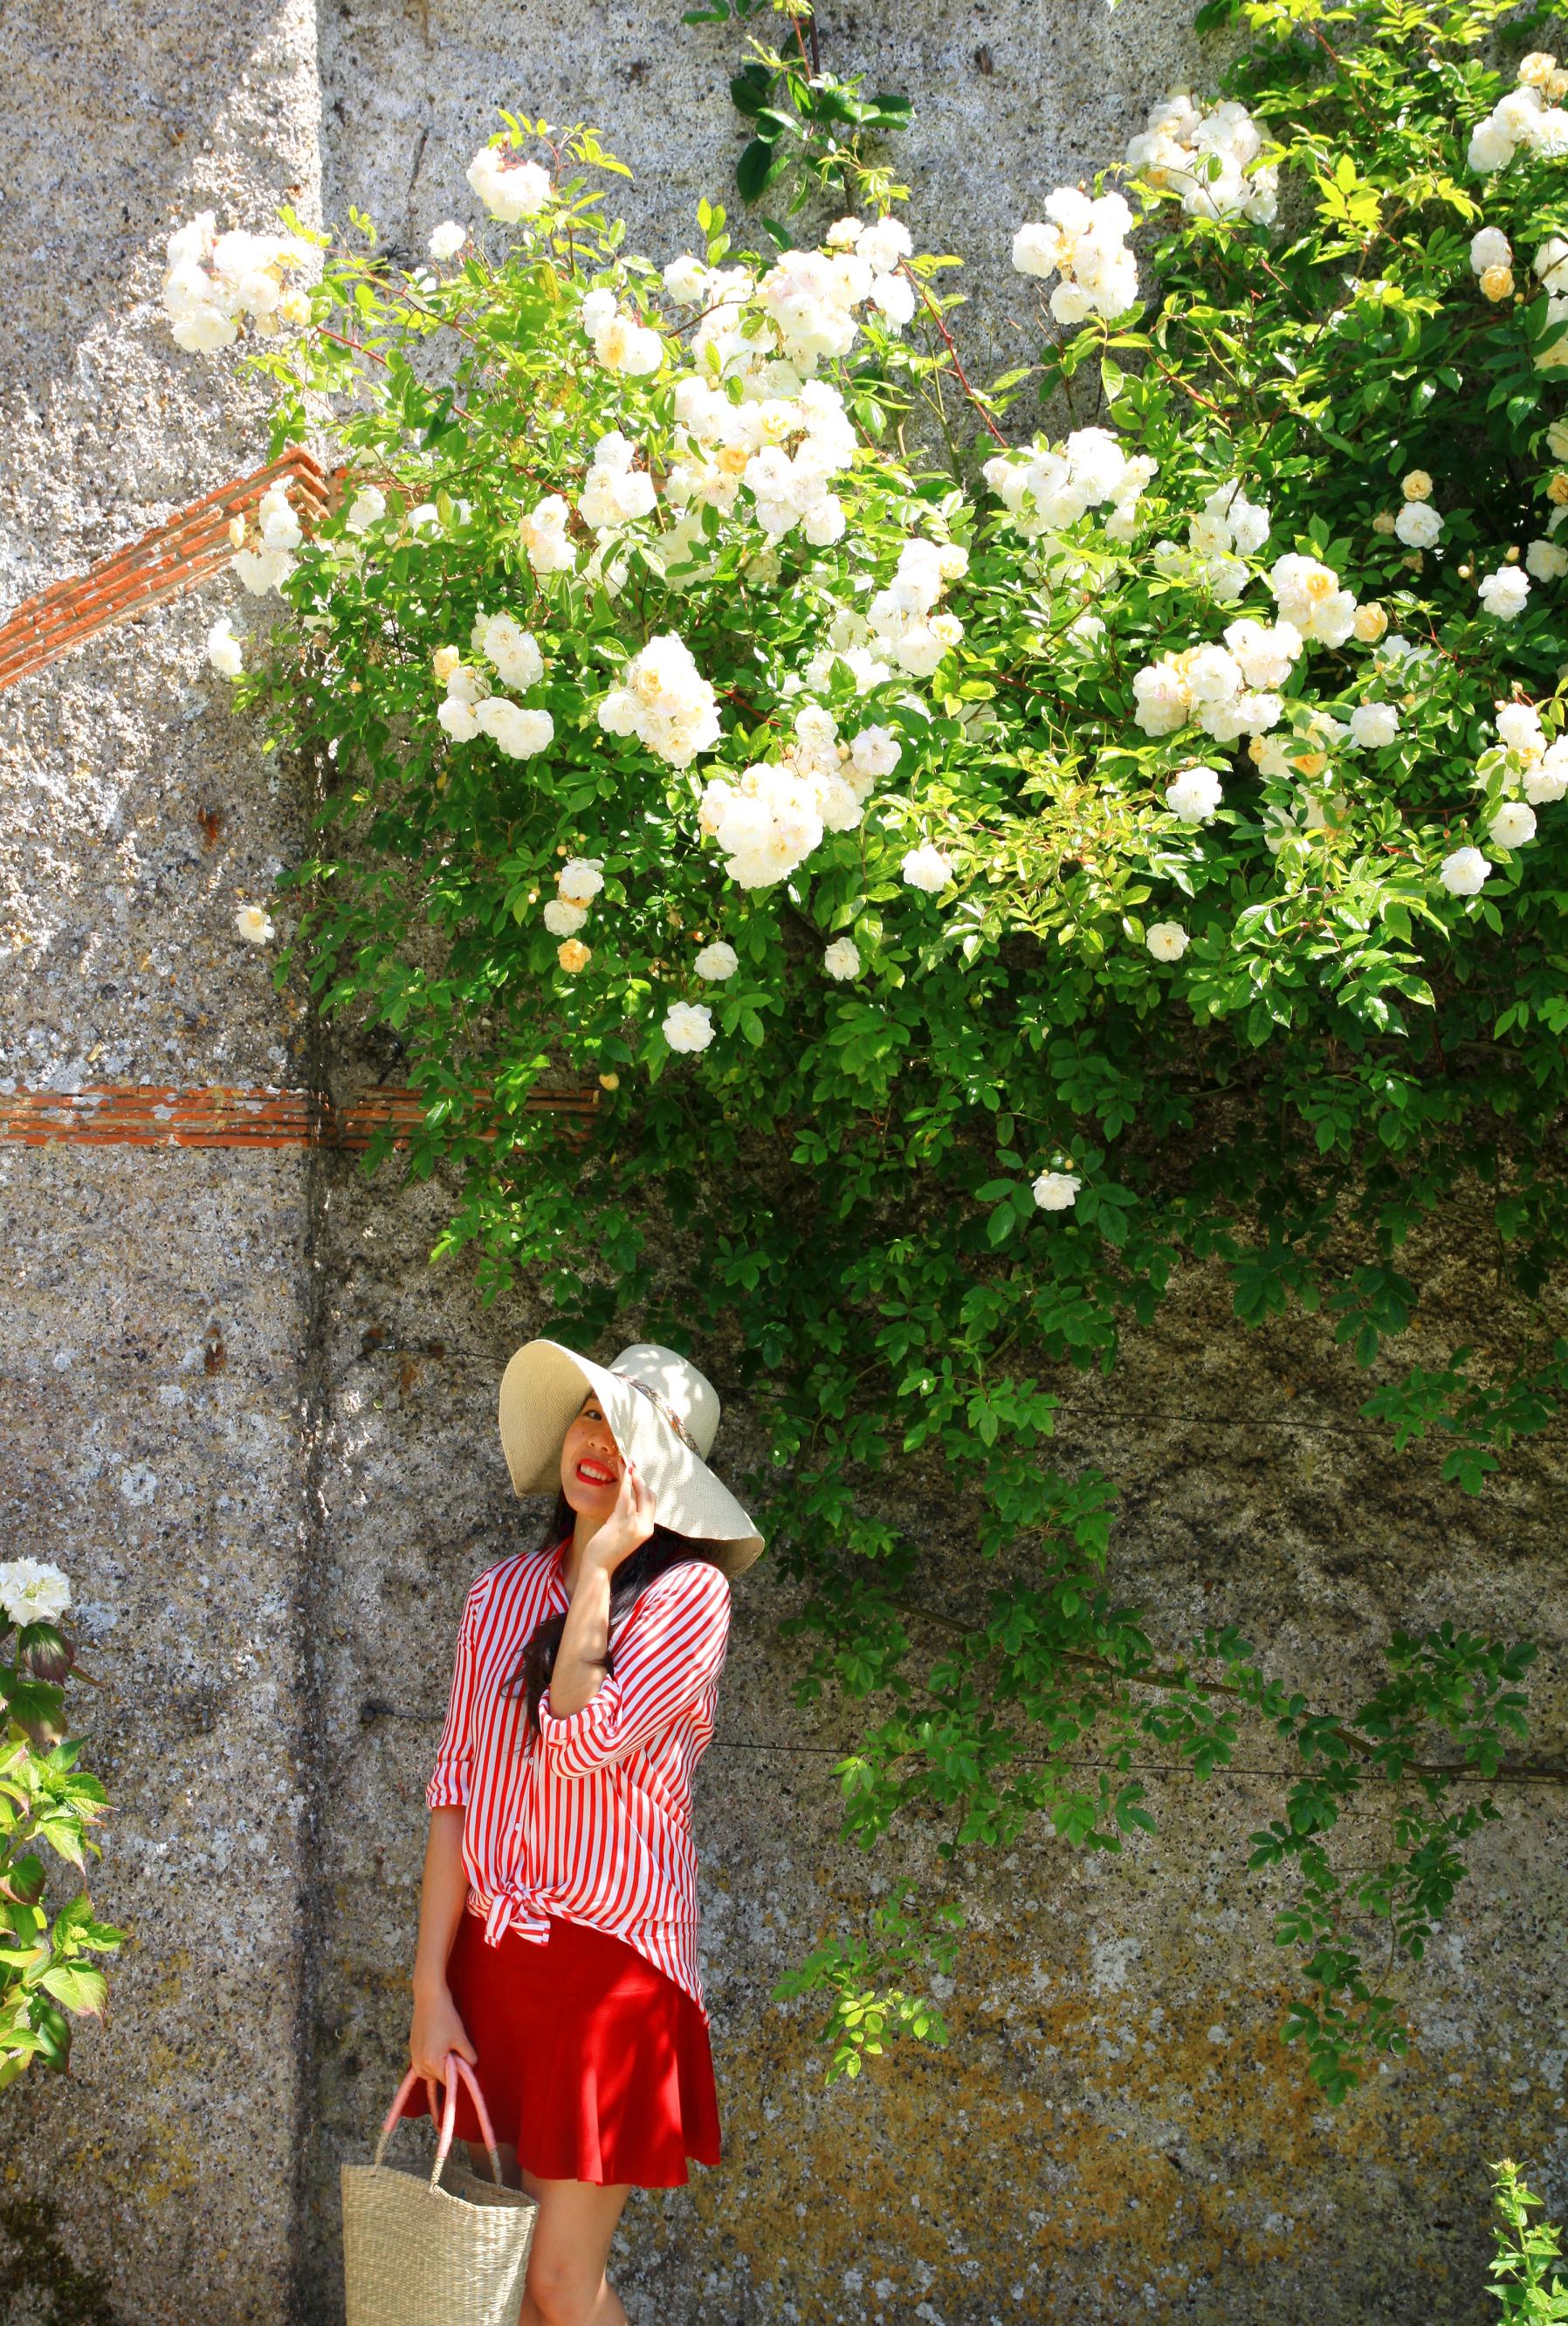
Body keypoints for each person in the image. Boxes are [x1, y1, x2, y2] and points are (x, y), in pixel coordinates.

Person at [400, 1339, 763, 2326]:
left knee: (559, 2280)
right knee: (504, 2277)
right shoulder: (498, 1596)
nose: (599, 1442)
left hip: (611, 1968)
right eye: (592, 1414)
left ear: (670, 1475)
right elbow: (456, 1794)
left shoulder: (690, 1599)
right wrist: (429, 1987)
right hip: (493, 1959)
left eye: (631, 1431)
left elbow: (580, 1741)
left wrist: (599, 1565)